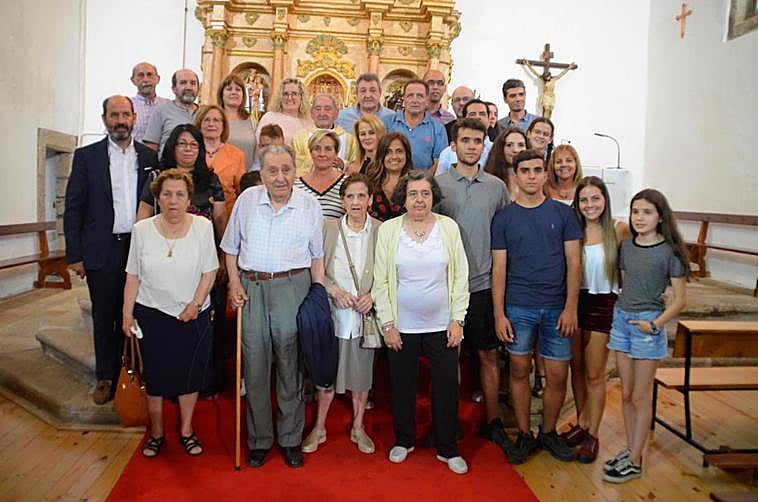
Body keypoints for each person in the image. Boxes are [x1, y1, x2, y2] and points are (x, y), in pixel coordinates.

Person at [221, 144, 325, 469]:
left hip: (293, 285)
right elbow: (230, 248)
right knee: (254, 363)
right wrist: (235, 283)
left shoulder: (310, 206)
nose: (280, 177)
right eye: (272, 171)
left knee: (290, 363)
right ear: (262, 172)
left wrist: (317, 295)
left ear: (295, 170)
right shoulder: (247, 201)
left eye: (286, 170)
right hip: (251, 287)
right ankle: (260, 440)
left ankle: (291, 439)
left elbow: (318, 257)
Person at [373, 170, 470, 475]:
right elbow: (381, 280)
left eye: (425, 193)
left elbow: (459, 277)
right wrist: (387, 324)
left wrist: (457, 320)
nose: (419, 199)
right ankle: (404, 440)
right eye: (413, 194)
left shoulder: (449, 228)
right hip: (403, 325)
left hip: (442, 324)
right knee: (402, 386)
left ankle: (447, 448)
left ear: (433, 197)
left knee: (446, 387)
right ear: (403, 198)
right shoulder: (389, 231)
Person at [64, 95, 159, 405]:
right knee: (106, 316)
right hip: (101, 249)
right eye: (114, 115)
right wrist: (75, 255)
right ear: (104, 119)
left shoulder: (147, 158)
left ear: (134, 118)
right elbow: (74, 208)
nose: (120, 121)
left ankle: (134, 371)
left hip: (138, 248)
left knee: (136, 313)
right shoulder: (86, 157)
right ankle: (106, 376)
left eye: (125, 115)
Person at [491, 149, 582, 465]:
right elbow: (499, 268)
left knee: (557, 375)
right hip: (518, 306)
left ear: (546, 175)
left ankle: (548, 431)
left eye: (537, 170)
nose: (531, 175)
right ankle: (525, 434)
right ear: (515, 175)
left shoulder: (563, 214)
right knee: (519, 370)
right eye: (524, 170)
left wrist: (571, 307)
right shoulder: (504, 218)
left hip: (557, 307)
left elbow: (574, 262)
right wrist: (499, 313)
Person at [122, 169, 218, 458]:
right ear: (157, 197)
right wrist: (127, 314)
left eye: (179, 194)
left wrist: (196, 304)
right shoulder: (141, 230)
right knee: (156, 378)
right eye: (167, 194)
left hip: (193, 314)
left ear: (189, 198)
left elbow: (210, 270)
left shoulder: (202, 226)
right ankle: (157, 432)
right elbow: (132, 276)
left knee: (189, 376)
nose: (173, 200)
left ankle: (187, 431)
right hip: (152, 314)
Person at [434, 118, 510, 452]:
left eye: (478, 141)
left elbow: (505, 236)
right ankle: (450, 424)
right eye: (465, 140)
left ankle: (492, 421)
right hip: (445, 286)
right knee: (449, 360)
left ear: (484, 145)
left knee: (488, 355)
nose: (471, 146)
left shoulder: (496, 187)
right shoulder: (438, 184)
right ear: (454, 145)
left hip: (481, 284)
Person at [603, 189, 688, 484]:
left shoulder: (670, 252)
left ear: (660, 216)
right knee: (626, 394)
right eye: (636, 211)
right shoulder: (626, 248)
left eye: (647, 212)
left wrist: (655, 324)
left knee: (640, 396)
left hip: (647, 326)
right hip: (622, 321)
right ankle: (630, 449)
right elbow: (628, 284)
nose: (639, 217)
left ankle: (637, 460)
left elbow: (679, 300)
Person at [301, 174, 380, 455]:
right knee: (326, 375)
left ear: (370, 200)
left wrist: (373, 296)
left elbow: (390, 274)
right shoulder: (328, 228)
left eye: (361, 196)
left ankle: (359, 427)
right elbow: (316, 268)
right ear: (342, 200)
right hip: (333, 313)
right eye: (350, 196)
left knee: (361, 376)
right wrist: (334, 291)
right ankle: (319, 428)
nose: (356, 202)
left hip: (365, 316)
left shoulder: (382, 231)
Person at [560, 176, 630, 464]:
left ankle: (593, 434)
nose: (590, 205)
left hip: (605, 302)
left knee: (594, 372)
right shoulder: (573, 230)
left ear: (605, 200)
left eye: (595, 199)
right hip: (577, 301)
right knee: (575, 369)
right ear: (577, 203)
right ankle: (582, 421)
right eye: (584, 200)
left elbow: (627, 271)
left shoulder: (618, 229)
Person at [137, 124, 227, 240]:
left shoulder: (211, 179)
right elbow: (144, 214)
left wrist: (224, 252)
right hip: (162, 243)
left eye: (194, 144)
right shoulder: (157, 177)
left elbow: (220, 218)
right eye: (182, 144)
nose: (188, 148)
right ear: (172, 147)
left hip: (201, 245)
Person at [383, 79, 447, 173]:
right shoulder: (387, 122)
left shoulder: (438, 128)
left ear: (426, 100)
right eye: (410, 96)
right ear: (404, 99)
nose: (415, 100)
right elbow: (380, 155)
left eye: (420, 96)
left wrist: (421, 182)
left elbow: (439, 163)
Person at [195, 105, 246, 216]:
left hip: (227, 217)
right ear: (199, 125)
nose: (211, 124)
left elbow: (241, 192)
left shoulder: (237, 154)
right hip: (196, 217)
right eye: (207, 120)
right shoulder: (191, 152)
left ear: (223, 126)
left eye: (216, 120)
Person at [292, 93, 359, 176]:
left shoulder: (349, 139)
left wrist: (343, 164)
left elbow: (357, 167)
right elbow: (293, 166)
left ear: (336, 113)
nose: (322, 113)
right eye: (318, 109)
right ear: (311, 112)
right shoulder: (299, 137)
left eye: (327, 109)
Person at [143, 69, 200, 155]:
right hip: (168, 167)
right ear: (174, 89)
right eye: (183, 83)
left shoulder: (205, 113)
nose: (189, 87)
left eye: (193, 83)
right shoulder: (161, 111)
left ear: (198, 88)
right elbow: (150, 148)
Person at [294, 130, 346, 219]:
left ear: (336, 153)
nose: (322, 154)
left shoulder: (347, 184)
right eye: (317, 149)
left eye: (328, 149)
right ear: (310, 152)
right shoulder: (296, 186)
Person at [435, 99, 494, 176]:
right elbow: (439, 183)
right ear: (463, 119)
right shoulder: (448, 153)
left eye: (482, 114)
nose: (478, 117)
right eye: (472, 114)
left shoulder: (497, 149)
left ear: (489, 119)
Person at [366, 132, 412, 222]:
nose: (394, 156)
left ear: (407, 155)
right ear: (381, 155)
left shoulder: (416, 185)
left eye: (399, 151)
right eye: (388, 152)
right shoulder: (368, 185)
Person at [217, 73, 257, 171]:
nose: (234, 92)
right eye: (229, 89)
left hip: (247, 177)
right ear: (221, 94)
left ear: (243, 95)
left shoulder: (252, 120)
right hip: (222, 176)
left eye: (238, 89)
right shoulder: (216, 119)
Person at [255, 77, 312, 146]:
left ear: (302, 97)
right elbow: (260, 147)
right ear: (280, 97)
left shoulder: (308, 121)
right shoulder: (269, 117)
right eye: (285, 94)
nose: (289, 98)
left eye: (294, 94)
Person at [130, 62, 169, 143]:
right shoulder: (127, 106)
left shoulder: (168, 106)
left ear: (158, 79)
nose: (145, 79)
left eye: (149, 75)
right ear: (133, 80)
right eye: (140, 75)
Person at [484, 127, 529, 197]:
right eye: (509, 145)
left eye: (521, 145)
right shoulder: (487, 181)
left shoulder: (536, 181)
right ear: (501, 149)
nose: (515, 150)